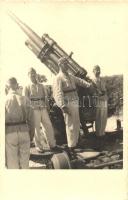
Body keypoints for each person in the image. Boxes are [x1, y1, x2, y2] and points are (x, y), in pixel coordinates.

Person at [53, 57, 94, 152]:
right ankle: (71, 146)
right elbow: (57, 93)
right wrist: (62, 105)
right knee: (70, 125)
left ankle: (76, 143)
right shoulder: (58, 78)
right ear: (60, 65)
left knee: (76, 123)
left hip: (75, 101)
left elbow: (80, 81)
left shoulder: (70, 76)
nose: (67, 65)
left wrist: (89, 85)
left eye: (67, 63)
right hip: (67, 103)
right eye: (65, 64)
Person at [24, 67, 57, 152]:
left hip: (43, 108)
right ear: (28, 75)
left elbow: (46, 97)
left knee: (48, 125)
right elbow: (26, 100)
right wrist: (28, 111)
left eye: (34, 73)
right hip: (33, 109)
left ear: (36, 74)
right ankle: (39, 146)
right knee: (36, 128)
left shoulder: (42, 85)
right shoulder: (27, 86)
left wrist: (48, 107)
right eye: (30, 74)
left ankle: (52, 144)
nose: (32, 75)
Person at [5, 77, 34, 169]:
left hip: (10, 133)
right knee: (25, 162)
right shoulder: (25, 99)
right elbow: (31, 120)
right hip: (24, 132)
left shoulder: (4, 100)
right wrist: (31, 135)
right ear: (17, 85)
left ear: (7, 87)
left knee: (12, 162)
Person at [93, 65, 108, 137]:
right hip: (97, 99)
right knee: (98, 116)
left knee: (104, 116)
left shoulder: (102, 79)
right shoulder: (92, 80)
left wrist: (103, 93)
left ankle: (102, 132)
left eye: (98, 70)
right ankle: (98, 133)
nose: (98, 71)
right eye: (96, 70)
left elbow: (104, 89)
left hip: (104, 98)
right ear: (93, 71)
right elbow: (92, 91)